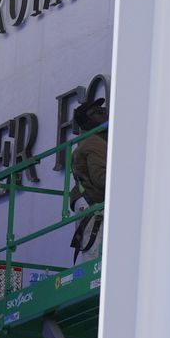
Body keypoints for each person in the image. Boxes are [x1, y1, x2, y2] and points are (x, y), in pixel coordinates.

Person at [68, 100, 109, 258]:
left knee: (94, 257)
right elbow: (100, 178)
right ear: (87, 121)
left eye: (103, 109)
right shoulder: (93, 142)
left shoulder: (89, 141)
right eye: (98, 112)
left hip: (89, 203)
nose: (104, 112)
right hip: (93, 204)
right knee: (95, 259)